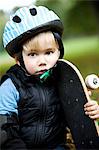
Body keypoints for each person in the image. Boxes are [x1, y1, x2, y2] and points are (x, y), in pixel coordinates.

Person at [0, 4, 98, 150]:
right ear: (18, 59)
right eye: (33, 54)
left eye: (49, 52)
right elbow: (5, 131)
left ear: (59, 52)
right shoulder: (10, 86)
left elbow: (73, 115)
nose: (42, 61)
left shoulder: (61, 80)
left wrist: (90, 110)